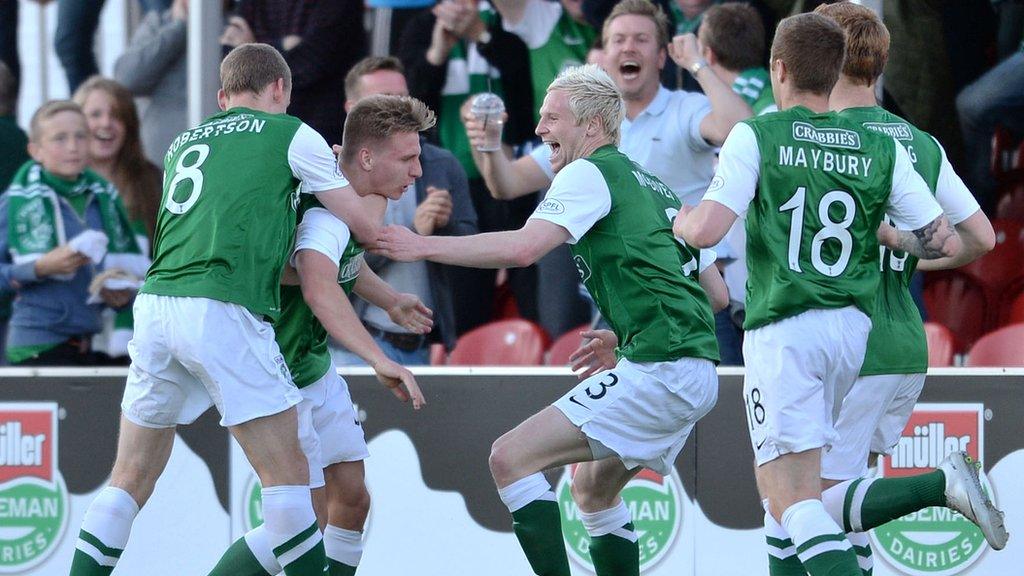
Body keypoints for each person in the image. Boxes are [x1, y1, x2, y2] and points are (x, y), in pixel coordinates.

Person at [375, 63, 721, 576]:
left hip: (663, 369)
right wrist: (626, 340)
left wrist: (419, 244)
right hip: (687, 367)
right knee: (591, 490)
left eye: (552, 117)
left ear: (593, 126)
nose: (539, 130)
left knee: (509, 459)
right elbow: (714, 294)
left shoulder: (590, 171)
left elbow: (521, 249)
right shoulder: (658, 187)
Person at [674, 13, 976, 576]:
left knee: (790, 500)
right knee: (796, 499)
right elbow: (946, 239)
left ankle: (935, 491)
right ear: (835, 69)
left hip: (786, 331)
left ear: (778, 69)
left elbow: (708, 230)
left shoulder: (759, 132)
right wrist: (892, 236)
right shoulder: (878, 146)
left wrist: (683, 226)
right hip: (851, 335)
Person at [68, 44, 385, 576]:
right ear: (280, 88)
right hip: (221, 307)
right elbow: (365, 227)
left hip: (156, 304)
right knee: (289, 482)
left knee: (128, 480)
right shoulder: (291, 133)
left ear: (222, 98)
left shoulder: (182, 142)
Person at [793, 4, 1001, 574]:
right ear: (882, 63)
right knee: (843, 508)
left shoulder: (815, 140)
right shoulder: (920, 142)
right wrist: (903, 255)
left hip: (842, 344)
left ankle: (941, 484)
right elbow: (979, 237)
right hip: (905, 343)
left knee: (796, 505)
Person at [208, 94, 432, 576]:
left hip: (312, 364)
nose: (418, 170)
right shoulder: (327, 213)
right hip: (279, 373)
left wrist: (388, 298)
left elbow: (339, 266)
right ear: (367, 158)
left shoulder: (346, 199)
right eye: (409, 158)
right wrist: (378, 357)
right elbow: (318, 284)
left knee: (351, 499)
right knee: (301, 523)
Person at [467, 0, 750, 208]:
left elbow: (740, 129)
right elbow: (509, 184)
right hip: (608, 287)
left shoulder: (686, 108)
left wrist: (696, 63)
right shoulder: (583, 123)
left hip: (681, 279)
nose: (629, 47)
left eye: (641, 39)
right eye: (619, 40)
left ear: (661, 57)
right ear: (605, 55)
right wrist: (488, 145)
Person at [331, 56, 478, 365]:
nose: (397, 108)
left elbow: (473, 252)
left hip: (421, 342)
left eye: (402, 98)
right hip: (354, 344)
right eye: (383, 101)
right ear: (351, 110)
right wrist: (416, 234)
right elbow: (334, 265)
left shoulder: (440, 164)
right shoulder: (332, 174)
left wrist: (442, 226)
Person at [0, 100, 143, 367]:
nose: (73, 147)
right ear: (35, 151)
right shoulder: (15, 201)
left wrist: (121, 296)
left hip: (84, 343)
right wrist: (38, 268)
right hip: (36, 347)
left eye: (80, 136)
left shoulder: (103, 197)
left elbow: (115, 275)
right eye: (60, 138)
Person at [73, 76, 163, 362]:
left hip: (142, 334)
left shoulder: (151, 180)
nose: (105, 124)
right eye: (95, 114)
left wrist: (132, 282)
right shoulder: (61, 182)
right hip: (76, 329)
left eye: (117, 116)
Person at [221, 0, 368, 147]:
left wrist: (251, 47)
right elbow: (229, 55)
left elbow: (309, 64)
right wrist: (284, 45)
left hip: (321, 131)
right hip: (259, 129)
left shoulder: (337, 4)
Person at [113, 0, 188, 167]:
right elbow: (127, 79)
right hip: (159, 169)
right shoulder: (160, 22)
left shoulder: (238, 28)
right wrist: (178, 29)